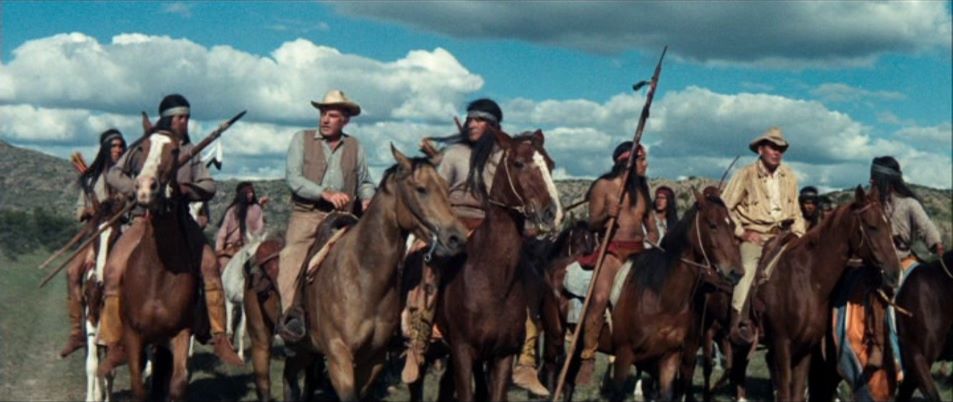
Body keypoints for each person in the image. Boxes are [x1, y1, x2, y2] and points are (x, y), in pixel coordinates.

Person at [99, 94, 243, 371]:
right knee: (114, 270)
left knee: (210, 265)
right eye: (179, 117)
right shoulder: (144, 145)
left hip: (180, 220)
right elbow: (115, 174)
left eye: (187, 117)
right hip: (143, 220)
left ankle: (219, 336)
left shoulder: (191, 150)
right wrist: (137, 190)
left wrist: (187, 190)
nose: (185, 122)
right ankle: (115, 342)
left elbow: (209, 185)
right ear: (167, 119)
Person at [276, 90, 376, 341]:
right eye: (323, 114)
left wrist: (367, 197)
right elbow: (293, 178)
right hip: (308, 215)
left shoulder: (355, 146)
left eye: (332, 115)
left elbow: (365, 180)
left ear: (345, 120)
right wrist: (325, 193)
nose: (325, 119)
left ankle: (376, 318)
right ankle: (291, 317)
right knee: (291, 256)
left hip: (344, 218)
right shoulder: (301, 139)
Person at [576, 141, 659, 384]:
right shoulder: (603, 186)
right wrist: (607, 214)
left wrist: (652, 239)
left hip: (639, 254)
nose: (646, 164)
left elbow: (652, 227)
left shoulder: (643, 191)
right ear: (627, 162)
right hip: (612, 251)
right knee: (600, 297)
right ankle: (588, 355)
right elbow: (592, 224)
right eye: (641, 159)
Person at [721, 127, 806, 343]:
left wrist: (799, 235)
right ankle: (738, 320)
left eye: (780, 149)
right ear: (761, 150)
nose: (777, 152)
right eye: (772, 147)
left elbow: (796, 211)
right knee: (748, 268)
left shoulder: (789, 176)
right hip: (756, 235)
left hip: (785, 235)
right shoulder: (746, 174)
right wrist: (742, 232)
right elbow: (725, 207)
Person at [60, 128, 126, 357]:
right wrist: (89, 211)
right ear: (105, 149)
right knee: (72, 272)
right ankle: (77, 333)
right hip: (95, 235)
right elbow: (78, 210)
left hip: (121, 233)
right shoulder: (91, 179)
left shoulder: (129, 176)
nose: (118, 150)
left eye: (121, 146)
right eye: (113, 146)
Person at [869, 156, 944, 270]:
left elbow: (926, 227)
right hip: (874, 263)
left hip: (903, 261)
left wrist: (936, 244)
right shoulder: (870, 206)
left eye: (874, 177)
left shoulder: (909, 204)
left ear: (885, 179)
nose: (871, 181)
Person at [214, 181, 266, 272]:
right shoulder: (233, 210)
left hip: (251, 247)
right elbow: (223, 231)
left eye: (252, 192)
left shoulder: (256, 209)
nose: (251, 195)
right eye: (248, 193)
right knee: (223, 269)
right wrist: (219, 250)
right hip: (232, 249)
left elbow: (259, 228)